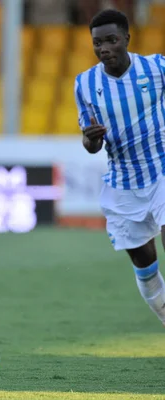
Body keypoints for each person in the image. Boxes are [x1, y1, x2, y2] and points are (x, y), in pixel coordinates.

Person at [75, 9, 165, 326]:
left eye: (111, 40)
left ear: (127, 38)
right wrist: (90, 139)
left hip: (162, 170)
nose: (104, 49)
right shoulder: (85, 84)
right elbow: (91, 146)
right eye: (98, 43)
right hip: (124, 183)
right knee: (145, 264)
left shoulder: (157, 68)